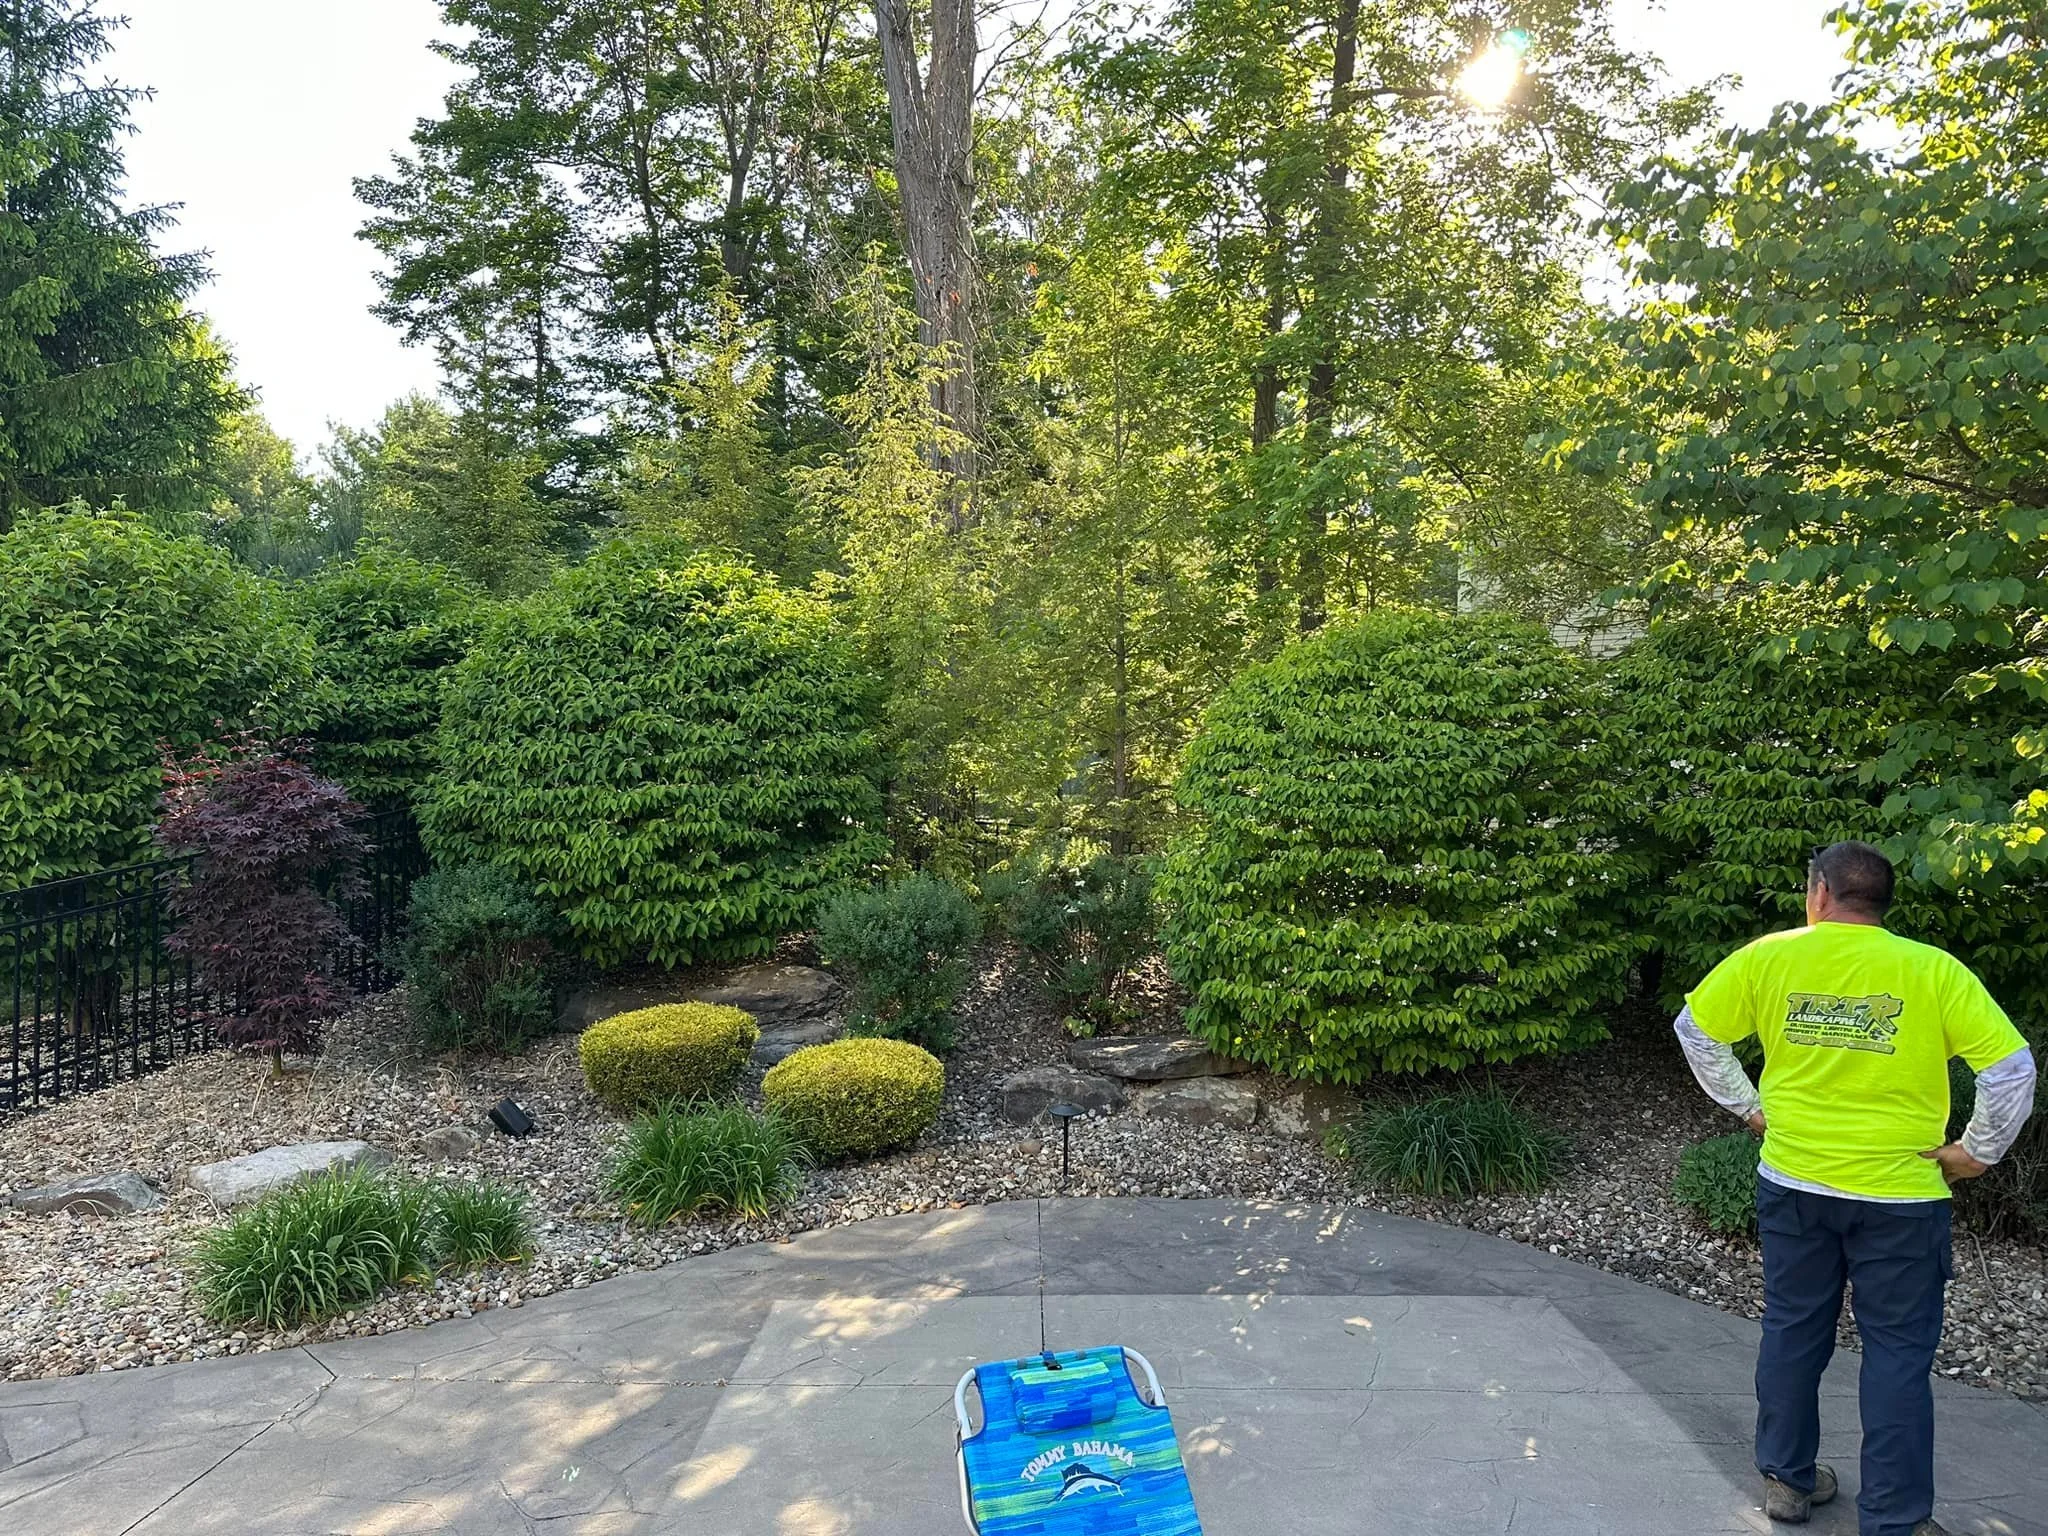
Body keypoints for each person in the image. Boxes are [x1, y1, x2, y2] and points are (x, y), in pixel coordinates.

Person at [1674, 841, 2037, 1536]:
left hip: (1796, 1184)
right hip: (1901, 1198)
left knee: (1792, 1329)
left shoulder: (1770, 957)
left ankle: (1787, 1479)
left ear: (1819, 893)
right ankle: (1895, 1521)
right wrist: (1976, 1153)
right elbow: (2011, 1069)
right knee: (1897, 1354)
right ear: (1881, 902)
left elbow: (1695, 1030)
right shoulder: (1933, 970)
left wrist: (1747, 1106)